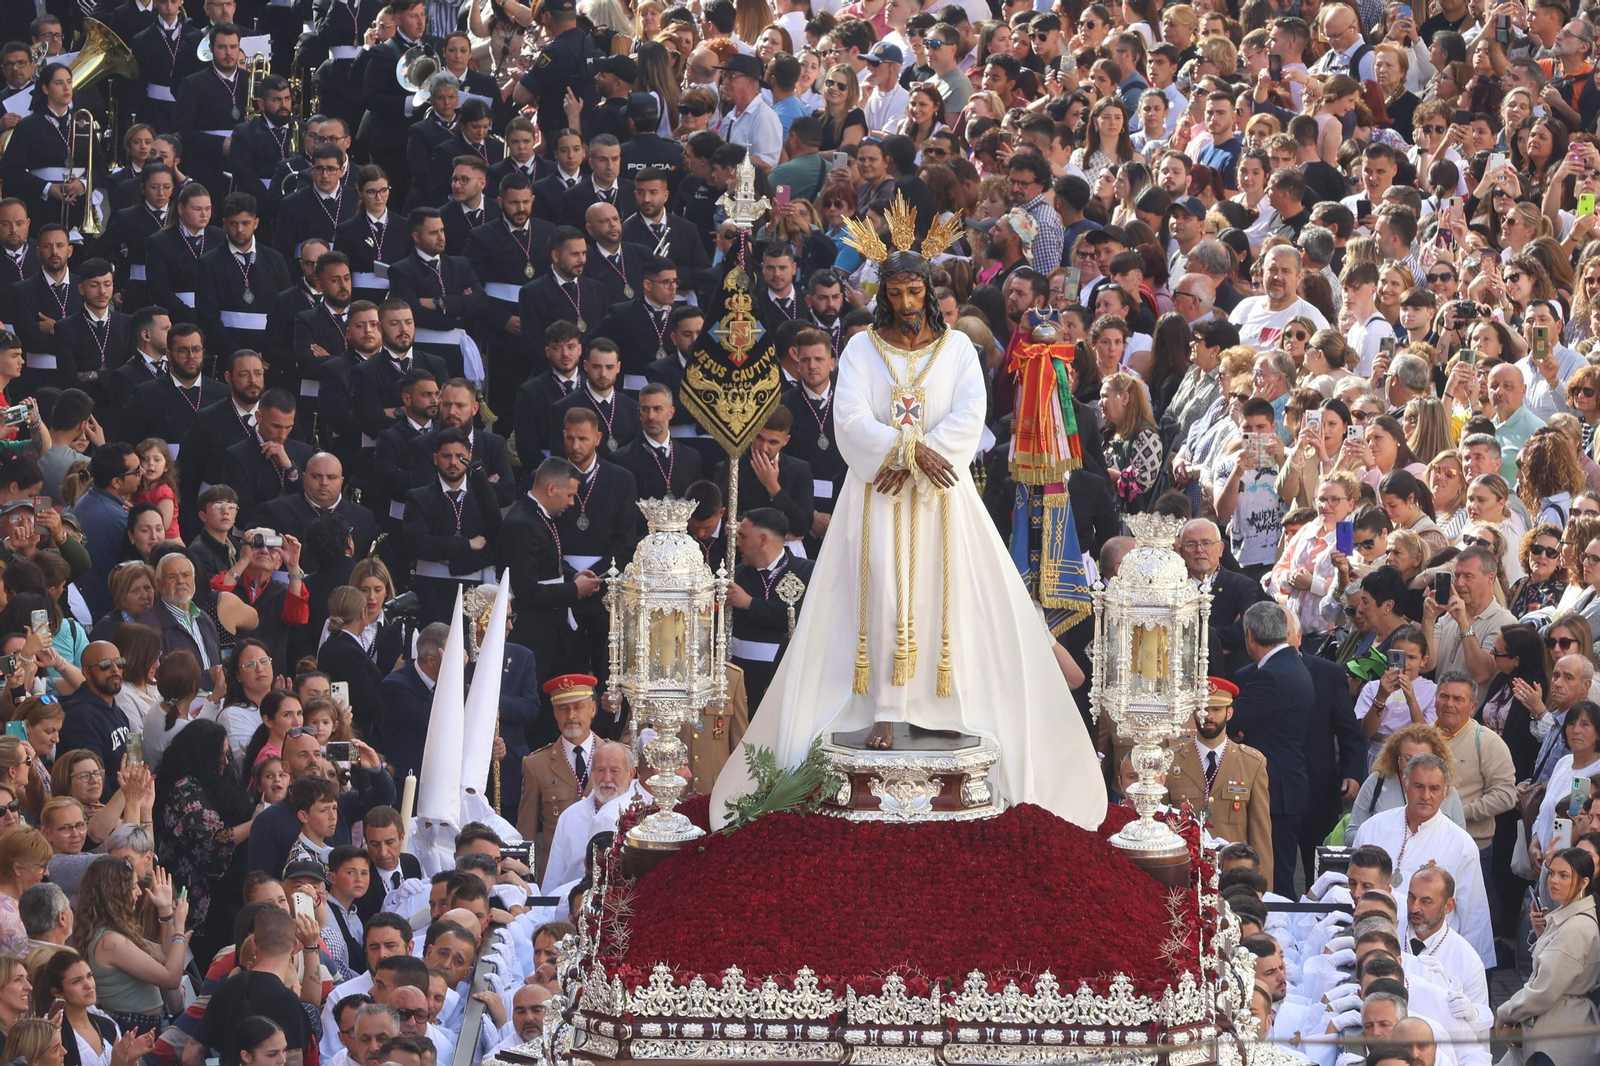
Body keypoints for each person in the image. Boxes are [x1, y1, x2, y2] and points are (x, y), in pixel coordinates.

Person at [708, 202, 1105, 830]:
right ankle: (883, 712)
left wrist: (919, 456)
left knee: (953, 603)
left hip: (942, 499)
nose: (908, 302)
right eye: (896, 293)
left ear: (931, 290)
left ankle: (947, 709)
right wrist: (901, 449)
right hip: (876, 497)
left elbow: (969, 416)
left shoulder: (957, 352)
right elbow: (850, 417)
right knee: (882, 600)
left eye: (916, 290)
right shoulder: (862, 348)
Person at [1352, 752, 1495, 967]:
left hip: (1434, 959)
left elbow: (1474, 915)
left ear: (1445, 792)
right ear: (1405, 786)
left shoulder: (1461, 844)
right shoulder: (1373, 828)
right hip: (1373, 949)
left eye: (1434, 788)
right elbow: (1352, 887)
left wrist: (1476, 968)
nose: (1425, 795)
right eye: (1418, 786)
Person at [1494, 847, 1600, 1066]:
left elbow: (1544, 990)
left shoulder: (1577, 926)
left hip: (1561, 1036)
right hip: (1555, 1028)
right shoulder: (1567, 916)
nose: (1554, 881)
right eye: (1551, 873)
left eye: (1564, 876)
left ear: (1584, 882)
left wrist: (1506, 1012)